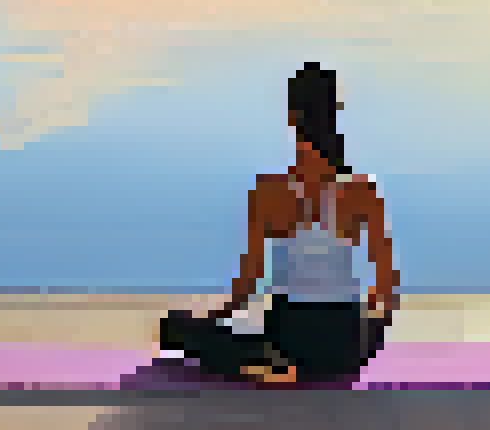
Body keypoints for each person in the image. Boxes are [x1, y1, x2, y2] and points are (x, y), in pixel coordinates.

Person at [158, 62, 400, 384]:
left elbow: (248, 283)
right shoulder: (362, 191)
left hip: (289, 339)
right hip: (344, 344)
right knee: (340, 338)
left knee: (177, 327)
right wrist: (369, 329)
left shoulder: (269, 191)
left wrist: (211, 318)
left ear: (291, 118)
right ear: (334, 115)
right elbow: (386, 286)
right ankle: (281, 362)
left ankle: (267, 362)